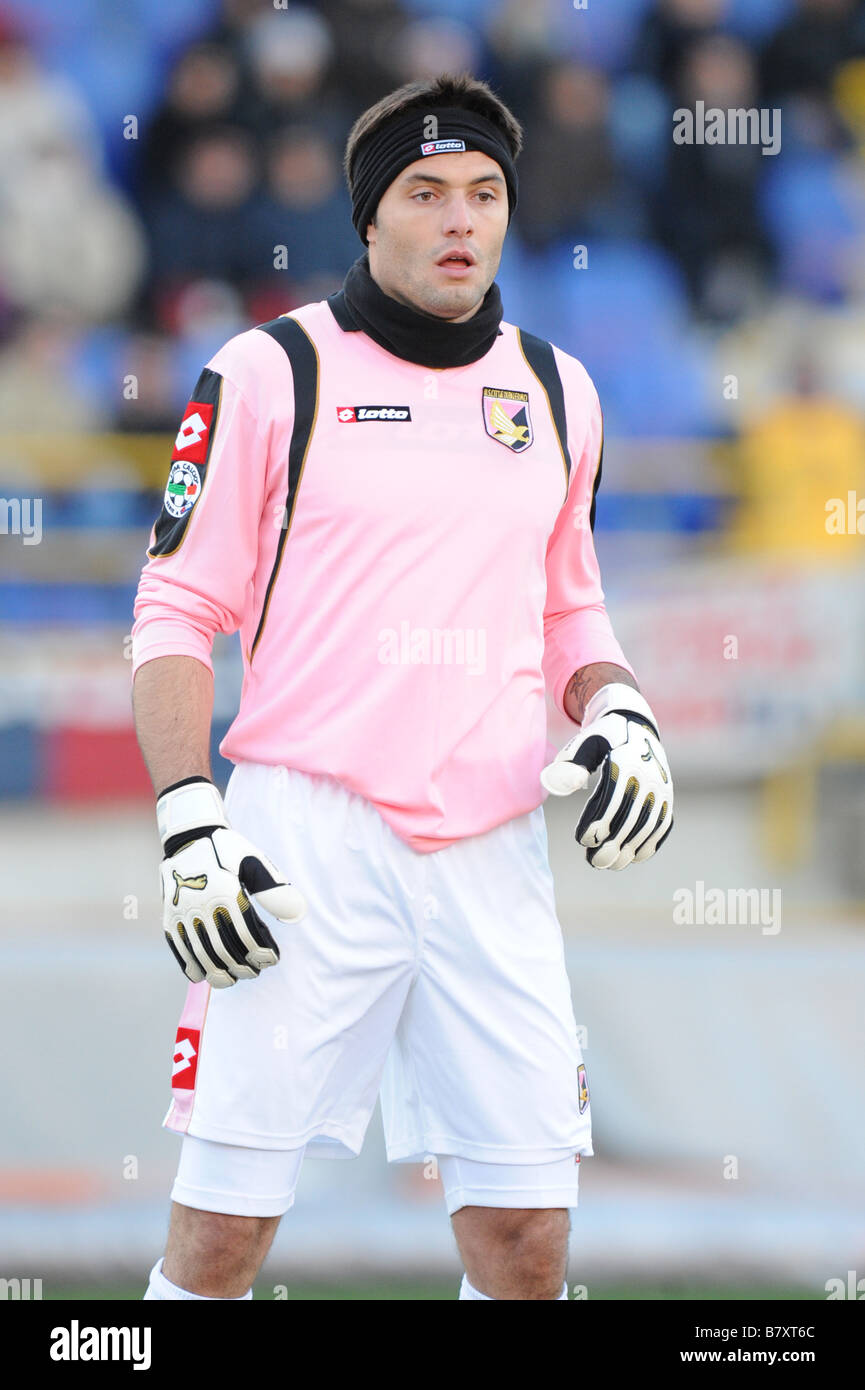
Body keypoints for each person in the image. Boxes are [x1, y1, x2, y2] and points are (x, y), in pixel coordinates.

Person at [131, 71, 674, 1303]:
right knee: (221, 1240)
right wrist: (185, 816)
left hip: (492, 849)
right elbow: (175, 607)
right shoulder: (270, 373)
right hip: (299, 841)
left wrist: (620, 704)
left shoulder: (556, 389)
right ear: (368, 218)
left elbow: (569, 603)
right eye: (425, 193)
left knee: (527, 1242)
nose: (459, 220)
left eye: (483, 194)